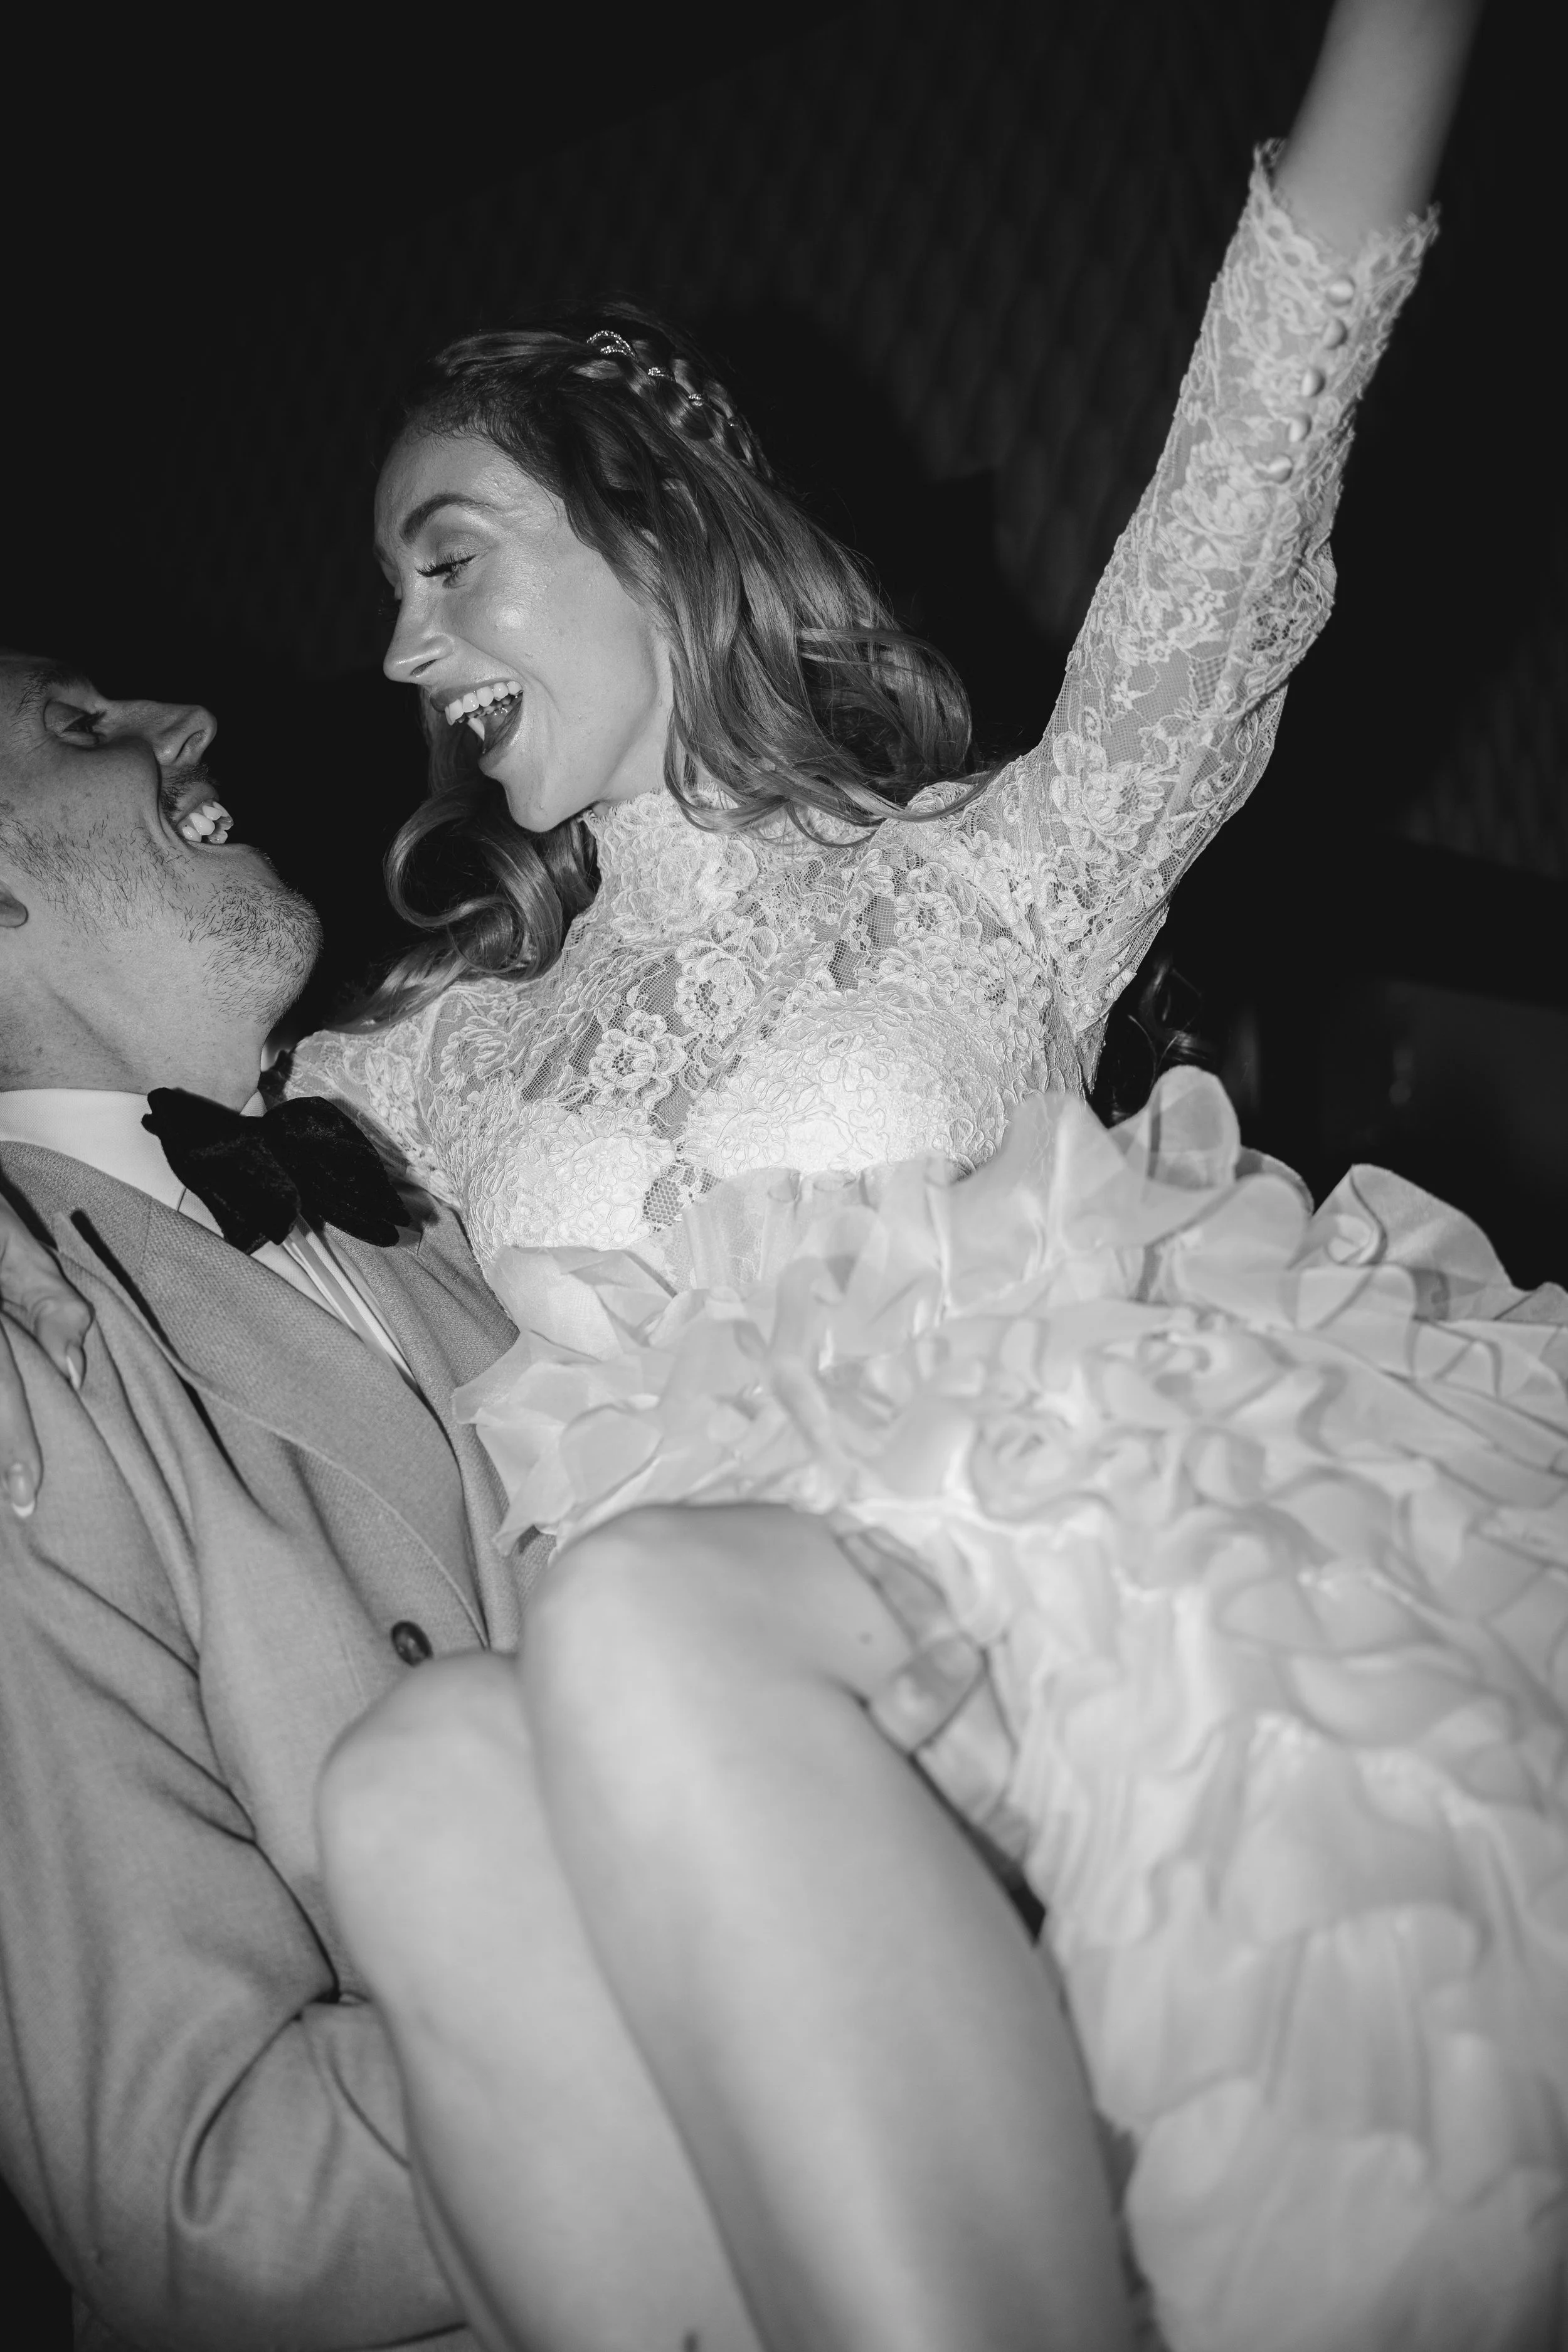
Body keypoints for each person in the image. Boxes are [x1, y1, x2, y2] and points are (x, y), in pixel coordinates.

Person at [7, 0, 1563, 2346]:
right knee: (423, 1778)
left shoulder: (1006, 874)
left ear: (642, 524)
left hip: (1079, 1625)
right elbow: (131, 1092)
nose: (403, 649)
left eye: (451, 561)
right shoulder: (431, 1053)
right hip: (701, 1751)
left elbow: (1261, 431)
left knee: (623, 1625)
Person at [0, 651, 785, 2351]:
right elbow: (201, 2198)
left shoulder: (425, 1190)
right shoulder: (26, 1375)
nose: (180, 720)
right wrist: (750, 2008)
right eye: (73, 728)